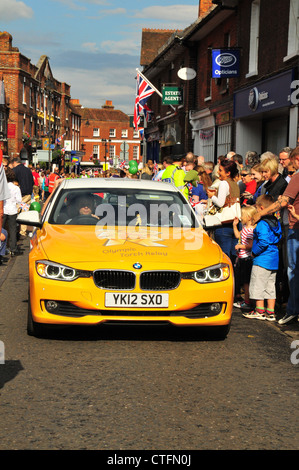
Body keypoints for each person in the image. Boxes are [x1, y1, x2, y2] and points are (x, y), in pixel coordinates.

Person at [253, 147, 299, 324]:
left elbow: (283, 201)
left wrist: (261, 214)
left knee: (293, 269)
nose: (288, 165)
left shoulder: (296, 177)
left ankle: (293, 309)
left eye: (292, 161)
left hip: (294, 227)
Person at [243, 195, 282, 321]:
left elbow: (263, 242)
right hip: (273, 259)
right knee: (270, 286)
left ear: (261, 208)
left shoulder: (262, 224)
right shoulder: (276, 223)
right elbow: (279, 238)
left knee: (257, 285)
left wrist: (254, 252)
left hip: (262, 259)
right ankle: (270, 312)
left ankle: (259, 310)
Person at [206, 159, 241, 262]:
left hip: (224, 224)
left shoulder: (224, 183)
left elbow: (220, 203)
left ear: (228, 173)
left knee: (224, 256)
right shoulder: (235, 183)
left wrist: (212, 196)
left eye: (220, 170)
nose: (218, 172)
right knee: (233, 255)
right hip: (235, 222)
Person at [233, 206, 257, 310]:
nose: (241, 217)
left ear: (248, 217)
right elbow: (238, 236)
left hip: (246, 258)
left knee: (246, 282)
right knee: (244, 281)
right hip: (242, 257)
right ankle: (248, 300)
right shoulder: (244, 228)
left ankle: (247, 301)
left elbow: (251, 245)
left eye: (242, 215)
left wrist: (240, 246)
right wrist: (235, 225)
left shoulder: (250, 230)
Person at [11, 156, 34, 238]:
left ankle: (14, 230)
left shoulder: (15, 170)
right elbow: (32, 182)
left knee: (14, 212)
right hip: (28, 194)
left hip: (19, 195)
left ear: (14, 163)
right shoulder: (28, 170)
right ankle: (22, 232)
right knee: (24, 213)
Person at [3, 168, 22, 256]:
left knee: (1, 229)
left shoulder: (2, 187)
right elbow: (19, 200)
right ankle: (13, 249)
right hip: (12, 210)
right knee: (13, 230)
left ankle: (2, 249)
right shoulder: (16, 188)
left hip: (3, 210)